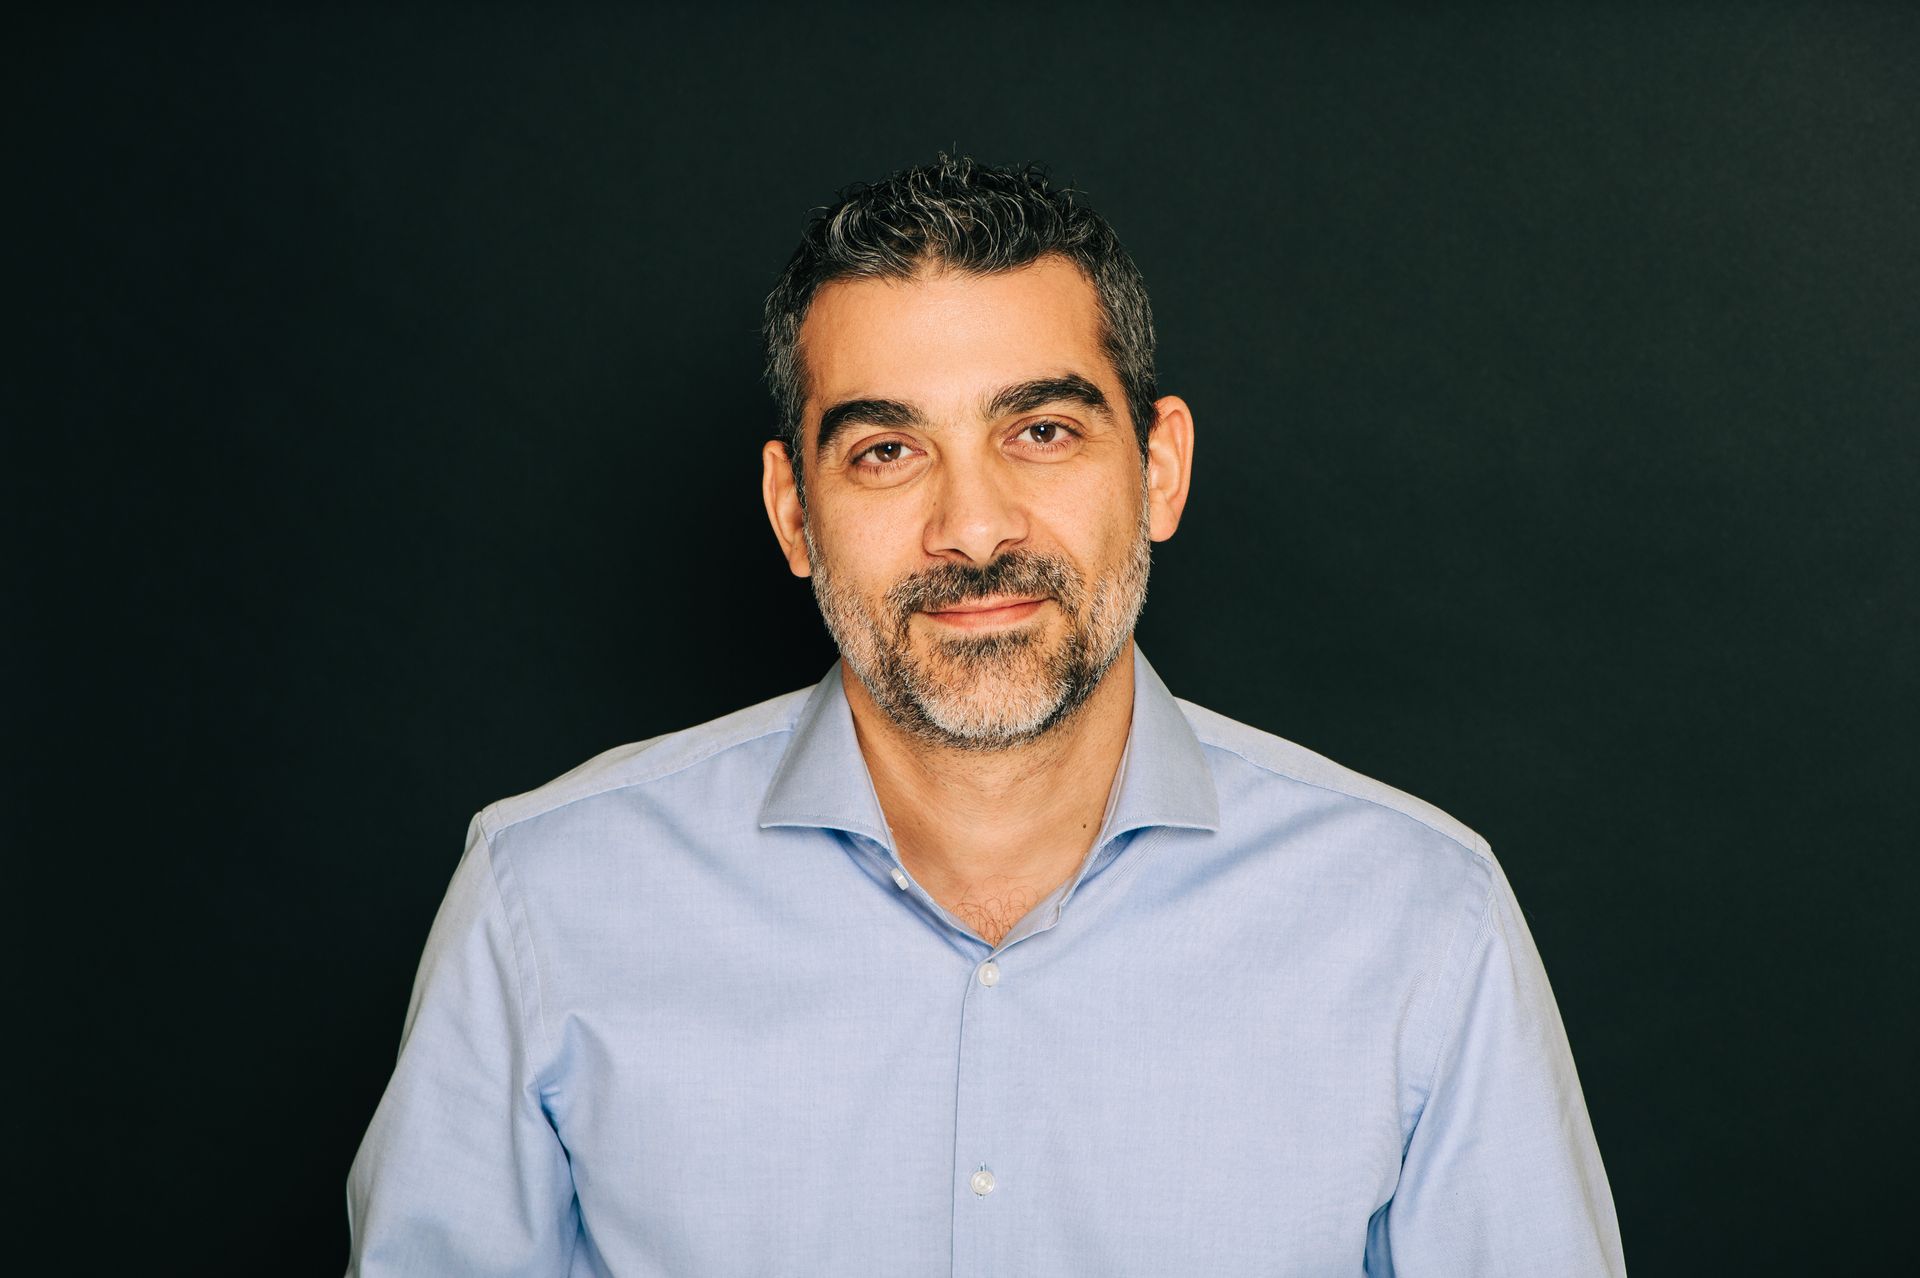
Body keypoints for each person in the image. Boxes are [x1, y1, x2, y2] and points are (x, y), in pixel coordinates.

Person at [346, 155, 1625, 1276]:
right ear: (794, 512)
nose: (974, 528)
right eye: (887, 451)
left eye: (1045, 430)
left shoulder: (1421, 922)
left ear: (1159, 470)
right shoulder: (547, 901)